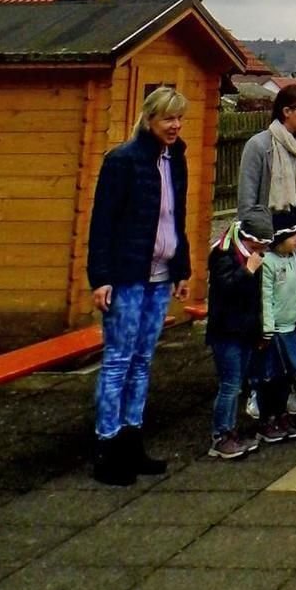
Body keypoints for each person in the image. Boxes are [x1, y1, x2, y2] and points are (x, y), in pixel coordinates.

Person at [86, 84, 192, 485]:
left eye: (179, 118)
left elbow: (174, 219)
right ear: (149, 120)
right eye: (168, 118)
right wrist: (101, 278)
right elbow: (103, 223)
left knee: (143, 361)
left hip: (160, 277)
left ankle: (133, 440)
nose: (175, 125)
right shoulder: (122, 161)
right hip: (127, 277)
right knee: (117, 361)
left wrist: (182, 268)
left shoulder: (174, 161)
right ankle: (106, 445)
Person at [205, 205, 270, 460]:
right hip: (226, 332)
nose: (262, 251)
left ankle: (231, 431)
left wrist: (259, 330)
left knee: (238, 382)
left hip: (244, 330)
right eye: (259, 245)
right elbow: (226, 289)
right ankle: (220, 435)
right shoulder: (224, 255)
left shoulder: (250, 256)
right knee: (229, 385)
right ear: (248, 239)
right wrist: (248, 271)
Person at [237, 83, 296, 243]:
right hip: (272, 236)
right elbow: (247, 198)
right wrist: (251, 238)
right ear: (286, 112)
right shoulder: (259, 145)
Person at [257, 219, 296, 443]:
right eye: (292, 236)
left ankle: (281, 414)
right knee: (269, 377)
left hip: (290, 328)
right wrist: (266, 329)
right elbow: (266, 296)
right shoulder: (268, 263)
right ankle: (267, 419)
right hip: (273, 332)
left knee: (286, 377)